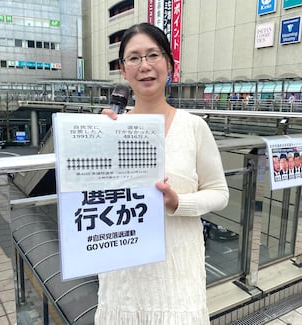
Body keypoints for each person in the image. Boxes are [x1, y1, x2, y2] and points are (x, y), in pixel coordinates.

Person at [96, 22, 229, 325]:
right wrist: (95, 142)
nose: (144, 65)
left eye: (153, 55)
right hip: (125, 278)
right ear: (123, 70)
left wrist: (177, 203)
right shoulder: (111, 130)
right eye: (134, 57)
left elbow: (220, 193)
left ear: (170, 64)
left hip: (176, 275)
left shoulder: (194, 127)